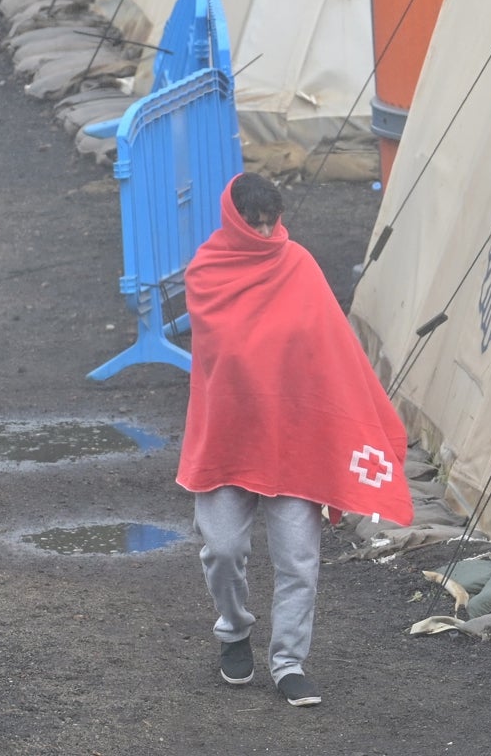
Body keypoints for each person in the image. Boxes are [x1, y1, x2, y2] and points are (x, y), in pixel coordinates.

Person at [177, 172, 414, 708]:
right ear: (234, 220)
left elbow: (333, 348)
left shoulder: (298, 265)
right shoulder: (207, 273)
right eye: (254, 224)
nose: (265, 234)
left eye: (271, 222)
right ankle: (234, 631)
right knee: (221, 548)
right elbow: (228, 351)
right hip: (227, 438)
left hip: (295, 440)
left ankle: (288, 662)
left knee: (299, 561)